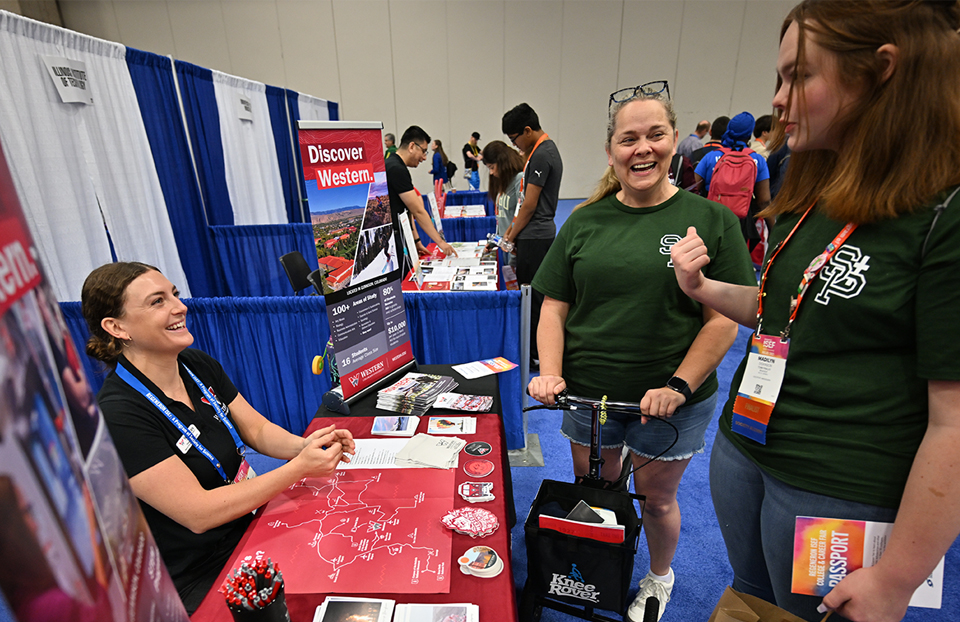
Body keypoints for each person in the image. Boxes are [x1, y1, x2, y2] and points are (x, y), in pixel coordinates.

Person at [670, 2, 960, 620]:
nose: (778, 99)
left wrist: (900, 576)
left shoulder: (945, 210)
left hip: (837, 484)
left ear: (880, 72)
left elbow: (955, 421)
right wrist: (704, 290)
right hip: (748, 449)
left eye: (798, 77)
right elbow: (782, 310)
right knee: (755, 599)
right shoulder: (822, 188)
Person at [528, 85, 755, 622]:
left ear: (675, 141)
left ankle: (658, 576)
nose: (642, 149)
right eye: (628, 139)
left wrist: (677, 386)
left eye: (655, 135)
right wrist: (552, 373)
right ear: (611, 151)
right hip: (589, 399)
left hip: (671, 404)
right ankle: (596, 565)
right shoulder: (584, 221)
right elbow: (553, 308)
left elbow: (724, 321)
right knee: (597, 490)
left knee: (656, 500)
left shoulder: (711, 221)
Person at [81, 262, 357, 614]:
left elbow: (256, 430)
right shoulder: (119, 415)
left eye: (175, 295)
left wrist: (306, 446)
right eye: (157, 302)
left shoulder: (195, 364)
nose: (180, 307)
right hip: (201, 571)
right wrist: (299, 468)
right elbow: (199, 513)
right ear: (116, 327)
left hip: (253, 524)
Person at [501, 103, 563, 369]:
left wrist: (511, 236)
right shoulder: (541, 151)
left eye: (515, 140)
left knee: (533, 298)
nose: (515, 146)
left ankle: (536, 353)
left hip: (536, 236)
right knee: (534, 296)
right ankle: (535, 349)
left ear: (527, 131)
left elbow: (529, 204)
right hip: (534, 234)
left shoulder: (541, 154)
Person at [385, 126, 456, 257]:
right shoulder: (396, 169)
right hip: (395, 241)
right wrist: (441, 243)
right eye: (423, 151)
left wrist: (416, 241)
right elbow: (418, 211)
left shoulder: (396, 165)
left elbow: (407, 210)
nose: (424, 158)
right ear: (412, 146)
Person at [481, 140, 524, 240]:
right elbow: (501, 219)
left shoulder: (519, 179)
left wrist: (511, 238)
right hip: (505, 243)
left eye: (492, 167)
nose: (491, 172)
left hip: (514, 242)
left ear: (502, 163)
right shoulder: (503, 181)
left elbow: (522, 215)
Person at [429, 139, 450, 203]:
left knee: (438, 200)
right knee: (445, 199)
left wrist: (431, 171)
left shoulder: (436, 156)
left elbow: (436, 169)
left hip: (438, 181)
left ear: (436, 146)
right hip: (445, 180)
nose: (431, 146)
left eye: (433, 144)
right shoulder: (443, 155)